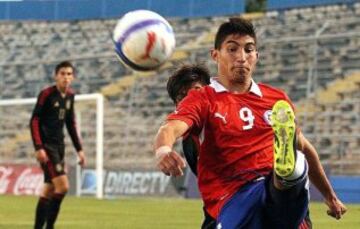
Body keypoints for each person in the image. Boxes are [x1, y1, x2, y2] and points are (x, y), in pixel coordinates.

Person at [154, 17, 346, 228]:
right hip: (235, 196)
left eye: (248, 50)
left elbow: (306, 147)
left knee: (292, 169)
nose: (241, 57)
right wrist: (163, 149)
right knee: (289, 178)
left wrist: (330, 195)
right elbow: (171, 127)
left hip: (270, 191)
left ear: (256, 56)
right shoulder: (202, 99)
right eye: (232, 49)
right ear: (215, 55)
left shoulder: (277, 99)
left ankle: (287, 172)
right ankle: (290, 173)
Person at [30, 61, 86, 229]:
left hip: (59, 147)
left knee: (48, 189)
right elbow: (34, 120)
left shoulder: (70, 96)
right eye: (62, 74)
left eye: (69, 74)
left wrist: (79, 150)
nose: (66, 77)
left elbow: (71, 124)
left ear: (73, 77)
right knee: (63, 187)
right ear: (56, 76)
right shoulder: (46, 94)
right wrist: (38, 147)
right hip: (47, 147)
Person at [167, 64, 215, 228]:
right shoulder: (190, 143)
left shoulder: (230, 116)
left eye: (196, 91)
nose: (191, 99)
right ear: (177, 106)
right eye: (182, 96)